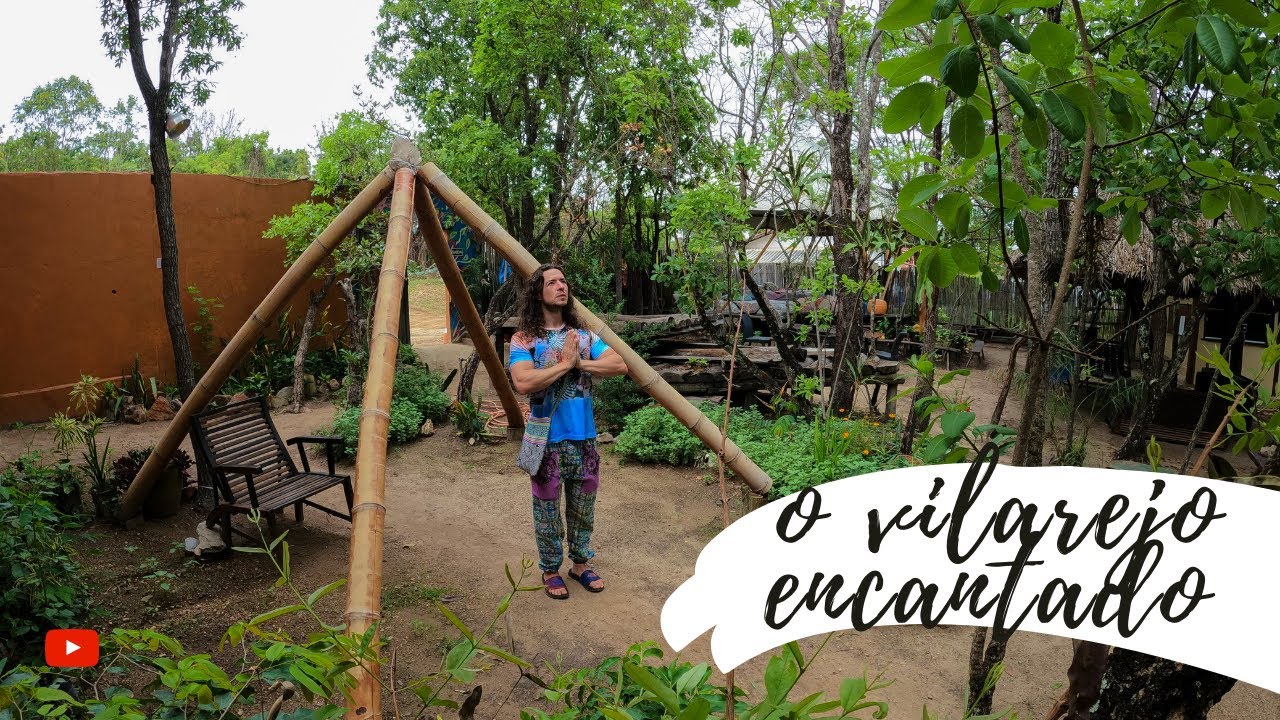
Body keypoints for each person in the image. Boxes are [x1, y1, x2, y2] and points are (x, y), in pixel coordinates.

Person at [509, 264, 628, 600]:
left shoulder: (584, 336)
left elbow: (619, 365)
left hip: (584, 438)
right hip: (545, 440)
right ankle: (550, 568)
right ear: (538, 292)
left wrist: (580, 363)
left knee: (583, 505)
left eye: (563, 281)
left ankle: (580, 564)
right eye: (552, 282)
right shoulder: (524, 339)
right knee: (546, 508)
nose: (560, 286)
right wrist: (563, 364)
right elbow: (522, 381)